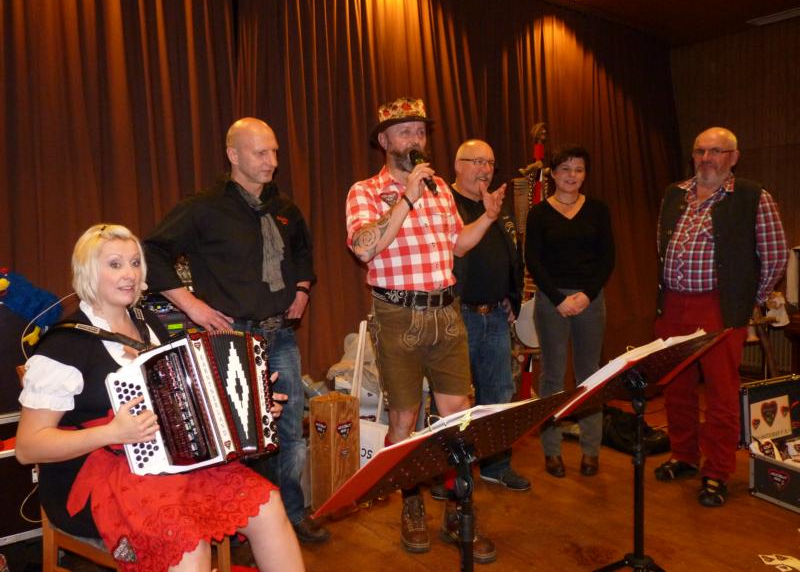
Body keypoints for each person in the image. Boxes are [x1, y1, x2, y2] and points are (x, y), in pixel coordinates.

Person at [15, 224, 304, 572]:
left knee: (268, 503)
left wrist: (253, 406)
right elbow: (28, 447)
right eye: (115, 264)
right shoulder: (63, 346)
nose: (130, 274)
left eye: (135, 263)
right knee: (186, 542)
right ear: (87, 272)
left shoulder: (149, 322)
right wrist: (111, 433)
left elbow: (188, 400)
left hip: (170, 461)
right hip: (95, 479)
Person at [143, 117, 327, 543]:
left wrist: (302, 288)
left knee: (289, 433)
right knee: (238, 436)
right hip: (229, 338)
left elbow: (302, 251)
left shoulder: (284, 207)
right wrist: (191, 305)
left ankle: (292, 514)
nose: (272, 161)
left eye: (275, 152)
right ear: (233, 155)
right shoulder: (204, 207)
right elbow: (151, 253)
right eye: (261, 152)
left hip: (280, 335)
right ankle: (241, 524)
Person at [345, 97, 506, 564]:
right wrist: (407, 198)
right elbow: (364, 248)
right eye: (405, 131)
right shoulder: (365, 191)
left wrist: (488, 218)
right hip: (398, 315)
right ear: (384, 140)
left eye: (419, 131)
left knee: (459, 417)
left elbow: (458, 245)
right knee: (404, 421)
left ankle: (458, 509)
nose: (415, 139)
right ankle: (411, 503)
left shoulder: (439, 190)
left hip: (446, 312)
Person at [653, 126, 787, 507]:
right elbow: (662, 244)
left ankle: (716, 471)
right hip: (672, 305)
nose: (707, 158)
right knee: (676, 386)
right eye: (700, 151)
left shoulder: (753, 197)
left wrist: (746, 301)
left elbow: (776, 256)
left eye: (716, 151)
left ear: (733, 157)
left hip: (718, 307)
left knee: (721, 392)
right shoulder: (674, 193)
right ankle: (683, 456)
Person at [524, 144, 615, 478]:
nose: (572, 175)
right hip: (552, 301)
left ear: (585, 174)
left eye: (578, 169)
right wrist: (558, 298)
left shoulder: (598, 210)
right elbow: (533, 260)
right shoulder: (539, 213)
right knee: (552, 375)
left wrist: (586, 295)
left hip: (590, 299)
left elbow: (607, 258)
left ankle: (591, 450)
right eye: (565, 169)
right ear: (552, 173)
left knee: (590, 374)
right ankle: (552, 450)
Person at [450, 139, 530, 492]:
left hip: (495, 315)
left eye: (490, 163)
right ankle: (451, 472)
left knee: (498, 393)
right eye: (477, 162)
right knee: (452, 398)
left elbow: (513, 252)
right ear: (458, 165)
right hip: (458, 315)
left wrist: (512, 295)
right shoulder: (444, 203)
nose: (485, 170)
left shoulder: (498, 205)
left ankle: (496, 465)